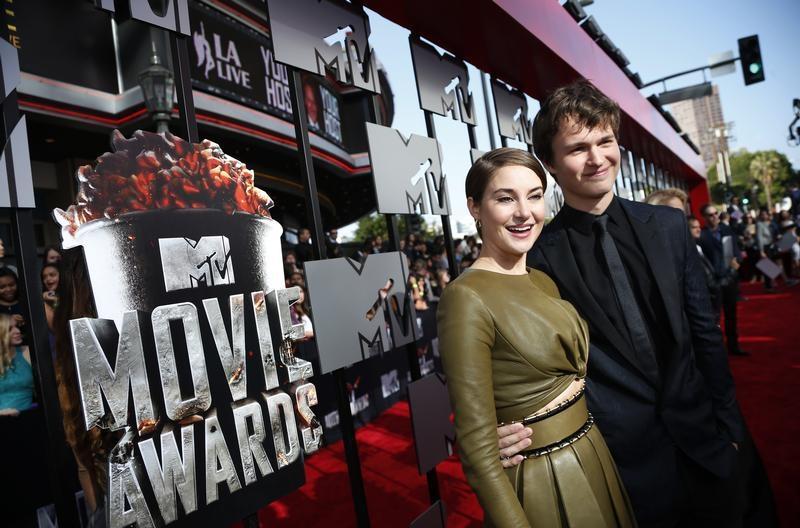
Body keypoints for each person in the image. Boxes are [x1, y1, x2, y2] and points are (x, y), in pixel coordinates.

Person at [498, 79, 744, 526]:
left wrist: (731, 428)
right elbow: (530, 364)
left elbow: (704, 334)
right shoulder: (538, 257)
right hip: (619, 462)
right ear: (550, 163)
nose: (597, 158)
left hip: (705, 439)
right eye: (578, 148)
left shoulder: (668, 226)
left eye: (605, 141)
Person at [438, 147, 635, 527]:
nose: (524, 212)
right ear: (474, 207)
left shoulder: (542, 279)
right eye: (505, 198)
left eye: (534, 196)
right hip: (541, 480)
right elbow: (478, 452)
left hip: (592, 453)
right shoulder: (465, 298)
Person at [698, 203, 747, 356]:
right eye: (710, 215)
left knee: (731, 315)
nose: (714, 217)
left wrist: (737, 264)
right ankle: (716, 350)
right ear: (704, 217)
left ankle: (733, 346)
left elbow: (737, 252)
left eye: (716, 213)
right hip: (713, 283)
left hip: (730, 279)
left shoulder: (727, 230)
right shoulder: (701, 235)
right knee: (715, 318)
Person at [0, 314, 33, 416]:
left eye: (17, 326)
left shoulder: (27, 352)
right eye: (10, 329)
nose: (18, 331)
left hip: (29, 416)